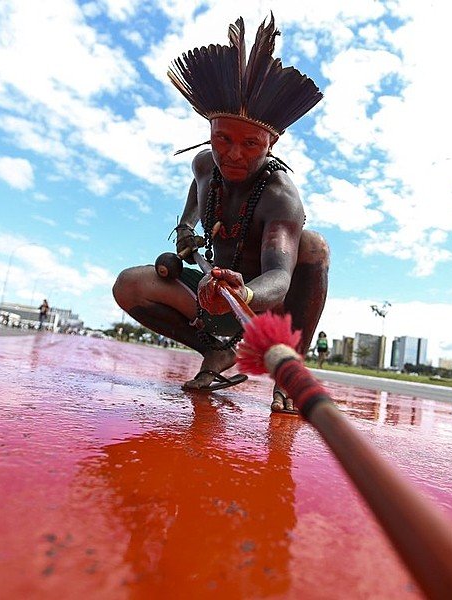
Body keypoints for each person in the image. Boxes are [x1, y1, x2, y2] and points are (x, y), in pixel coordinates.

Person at [113, 14, 329, 412]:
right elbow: (195, 196)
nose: (234, 153)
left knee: (313, 246)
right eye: (223, 139)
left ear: (270, 143)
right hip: (212, 293)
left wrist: (244, 292)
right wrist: (184, 227)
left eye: (251, 143)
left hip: (263, 301)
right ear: (210, 133)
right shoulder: (203, 166)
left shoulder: (280, 197)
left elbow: (280, 276)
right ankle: (216, 352)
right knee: (129, 284)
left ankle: (290, 366)